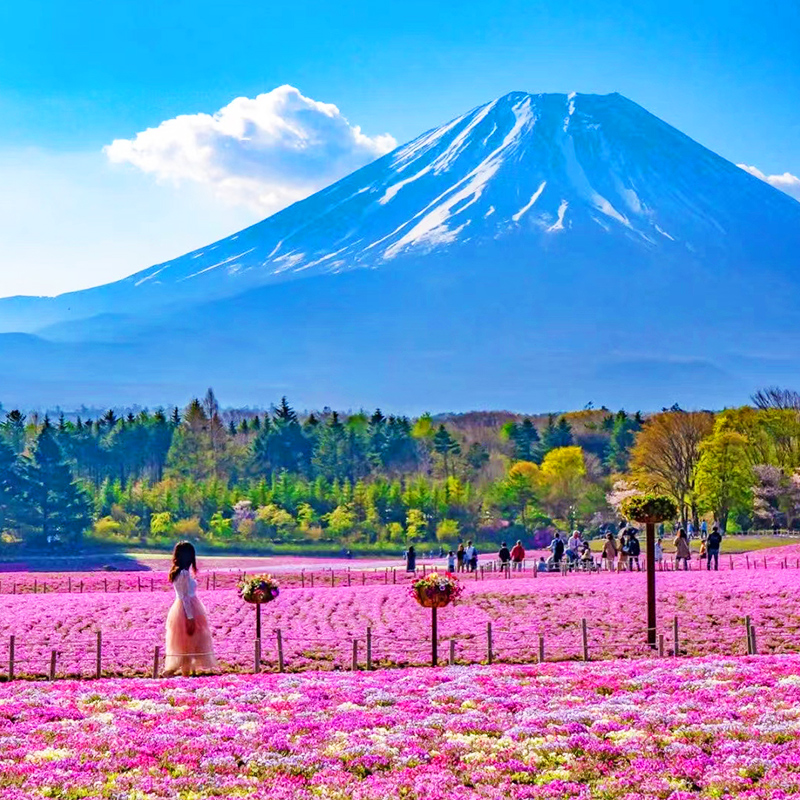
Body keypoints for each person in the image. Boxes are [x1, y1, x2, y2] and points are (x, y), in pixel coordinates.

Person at [162, 541, 218, 677]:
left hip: (186, 608)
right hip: (187, 610)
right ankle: (174, 673)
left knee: (189, 645)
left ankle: (181, 674)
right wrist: (190, 617)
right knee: (188, 645)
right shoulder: (183, 574)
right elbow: (185, 597)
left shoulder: (181, 573)